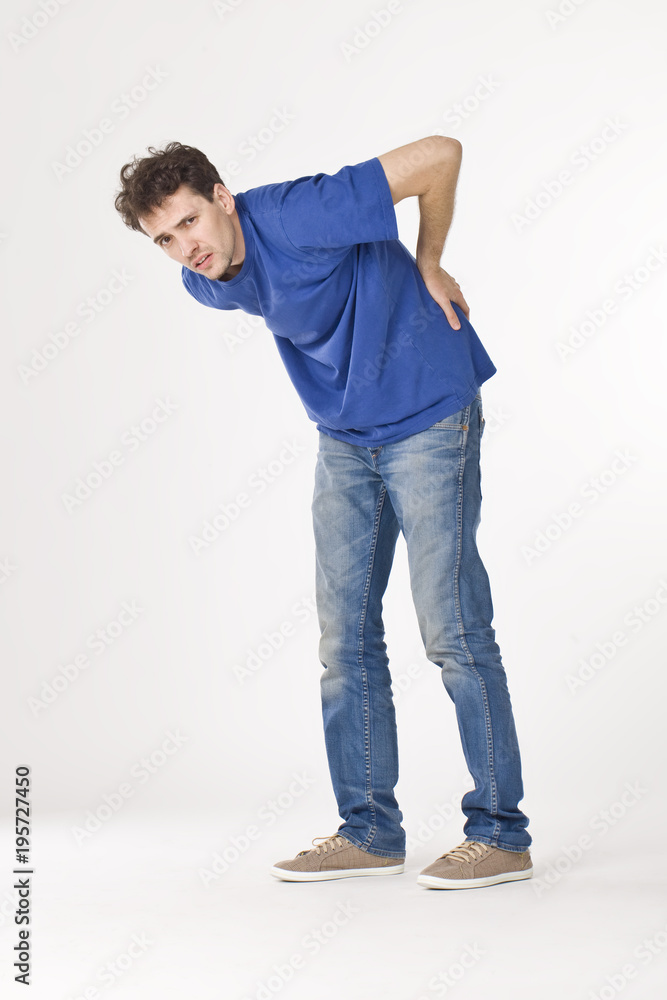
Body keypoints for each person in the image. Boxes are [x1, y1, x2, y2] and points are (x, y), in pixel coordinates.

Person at [114, 136, 532, 890]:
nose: (185, 247)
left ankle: (501, 835)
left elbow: (439, 155)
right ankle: (369, 832)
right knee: (344, 640)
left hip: (429, 413)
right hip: (345, 438)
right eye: (164, 239)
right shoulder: (206, 284)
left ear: (222, 198)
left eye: (189, 221)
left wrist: (428, 261)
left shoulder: (300, 213)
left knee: (452, 630)